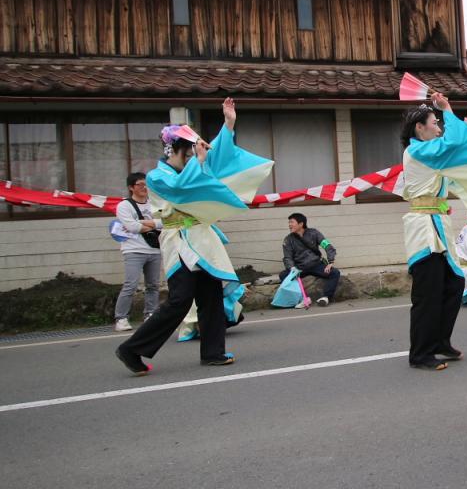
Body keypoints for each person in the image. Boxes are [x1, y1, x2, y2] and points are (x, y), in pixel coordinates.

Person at [115, 98, 273, 375]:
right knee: (180, 300)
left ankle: (213, 351)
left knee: (210, 296)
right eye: (188, 151)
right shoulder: (156, 177)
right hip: (179, 242)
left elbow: (217, 159)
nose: (193, 155)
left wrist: (229, 123)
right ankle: (131, 349)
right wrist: (198, 163)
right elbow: (180, 189)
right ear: (175, 149)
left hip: (201, 238)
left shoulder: (192, 165)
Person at [400, 93, 467, 371]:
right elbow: (451, 147)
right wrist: (447, 108)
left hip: (436, 226)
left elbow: (456, 158)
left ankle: (439, 343)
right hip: (424, 230)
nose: (438, 127)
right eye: (435, 123)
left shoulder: (430, 154)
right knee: (427, 294)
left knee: (453, 286)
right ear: (419, 128)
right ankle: (420, 353)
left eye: (439, 122)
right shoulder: (416, 151)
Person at [112, 172, 163, 332]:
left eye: (146, 184)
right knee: (130, 285)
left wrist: (140, 223)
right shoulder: (124, 206)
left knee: (153, 285)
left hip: (155, 250)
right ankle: (121, 318)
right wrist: (152, 224)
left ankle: (150, 314)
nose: (144, 188)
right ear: (131, 187)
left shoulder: (154, 203)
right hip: (133, 250)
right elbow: (132, 227)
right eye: (140, 184)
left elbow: (165, 222)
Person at [279, 212, 340, 307]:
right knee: (283, 275)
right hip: (299, 268)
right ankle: (303, 299)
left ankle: (326, 297)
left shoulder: (314, 233)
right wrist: (292, 268)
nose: (289, 225)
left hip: (316, 265)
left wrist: (330, 262)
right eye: (289, 222)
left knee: (335, 273)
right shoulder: (288, 239)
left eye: (292, 222)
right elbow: (287, 257)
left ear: (301, 224)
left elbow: (327, 245)